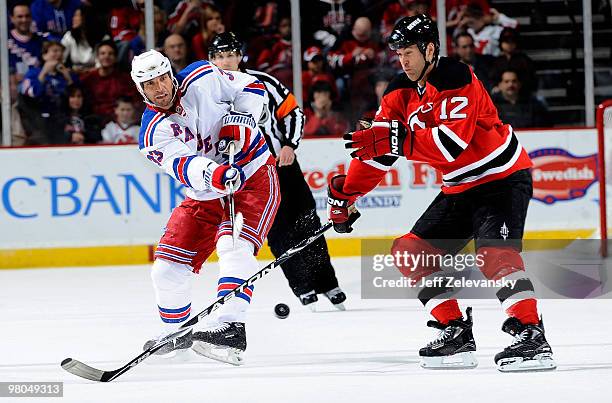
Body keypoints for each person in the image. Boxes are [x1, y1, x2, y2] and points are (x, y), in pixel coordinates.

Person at [327, 15, 556, 372]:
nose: (403, 60)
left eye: (409, 52)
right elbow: (379, 151)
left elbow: (451, 145)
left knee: (495, 255)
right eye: (398, 53)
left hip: (501, 178)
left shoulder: (456, 77)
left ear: (430, 49)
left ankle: (532, 336)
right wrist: (347, 193)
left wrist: (396, 139)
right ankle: (455, 332)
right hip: (460, 188)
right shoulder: (397, 93)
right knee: (409, 252)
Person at [131, 49, 279, 365]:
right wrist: (215, 173)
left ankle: (230, 325)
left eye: (161, 79)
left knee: (233, 246)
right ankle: (178, 333)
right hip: (205, 194)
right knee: (166, 270)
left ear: (170, 74)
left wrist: (242, 121)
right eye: (149, 85)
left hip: (253, 177)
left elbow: (251, 88)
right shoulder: (152, 133)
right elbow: (183, 165)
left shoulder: (204, 75)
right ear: (140, 89)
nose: (159, 89)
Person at [209, 32, 347, 310]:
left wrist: (289, 144)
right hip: (250, 176)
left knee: (307, 222)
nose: (226, 60)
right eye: (220, 56)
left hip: (283, 166)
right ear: (212, 60)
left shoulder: (264, 82)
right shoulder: (207, 94)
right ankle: (303, 288)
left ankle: (328, 283)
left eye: (230, 54)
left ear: (239, 56)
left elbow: (293, 112)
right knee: (277, 232)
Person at [19, 40, 78, 144]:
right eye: (54, 51)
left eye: (61, 52)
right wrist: (43, 74)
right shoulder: (33, 73)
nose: (58, 54)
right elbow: (30, 94)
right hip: (38, 121)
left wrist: (68, 79)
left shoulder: (68, 75)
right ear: (44, 55)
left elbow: (76, 98)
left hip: (61, 121)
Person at [81, 40, 139, 123]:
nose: (106, 56)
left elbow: (133, 101)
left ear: (115, 58)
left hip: (119, 122)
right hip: (94, 122)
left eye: (110, 54)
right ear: (97, 57)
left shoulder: (125, 79)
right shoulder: (88, 78)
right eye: (103, 53)